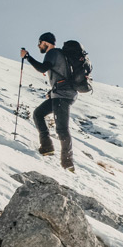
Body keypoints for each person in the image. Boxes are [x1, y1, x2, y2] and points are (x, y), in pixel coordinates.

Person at [20, 33, 77, 171]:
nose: (39, 46)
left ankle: (67, 163)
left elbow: (42, 68)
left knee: (62, 129)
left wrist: (27, 57)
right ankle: (46, 147)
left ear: (46, 42)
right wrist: (51, 93)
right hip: (60, 94)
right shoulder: (59, 55)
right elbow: (61, 76)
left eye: (40, 43)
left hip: (62, 96)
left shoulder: (52, 53)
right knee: (38, 114)